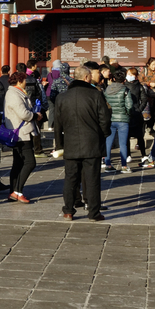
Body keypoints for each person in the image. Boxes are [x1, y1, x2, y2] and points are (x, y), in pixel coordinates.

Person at [53, 64, 109, 221]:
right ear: (86, 77)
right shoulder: (95, 95)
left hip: (70, 143)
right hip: (91, 142)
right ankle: (93, 212)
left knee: (70, 178)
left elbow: (57, 124)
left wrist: (59, 145)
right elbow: (104, 119)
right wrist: (103, 134)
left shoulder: (62, 97)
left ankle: (68, 210)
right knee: (92, 179)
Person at [3, 72, 40, 204]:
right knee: (30, 162)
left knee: (18, 164)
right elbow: (23, 113)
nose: (26, 82)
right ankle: (17, 191)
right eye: (24, 80)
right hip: (20, 133)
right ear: (19, 81)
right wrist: (35, 115)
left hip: (20, 132)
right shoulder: (13, 94)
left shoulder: (17, 92)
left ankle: (14, 191)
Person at [102, 67, 134, 173]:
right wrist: (127, 114)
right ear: (124, 80)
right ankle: (124, 166)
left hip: (110, 119)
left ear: (113, 79)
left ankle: (108, 164)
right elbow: (129, 105)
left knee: (108, 142)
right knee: (123, 143)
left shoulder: (107, 89)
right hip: (123, 119)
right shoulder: (125, 90)